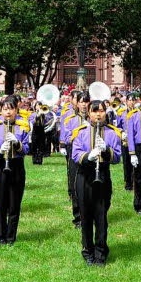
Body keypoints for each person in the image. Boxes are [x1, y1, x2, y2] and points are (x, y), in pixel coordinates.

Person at [70, 100, 122, 265]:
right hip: (84, 176)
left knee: (101, 216)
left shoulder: (113, 133)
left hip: (103, 176)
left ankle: (101, 252)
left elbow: (117, 158)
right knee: (85, 216)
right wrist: (88, 156)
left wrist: (107, 150)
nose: (98, 114)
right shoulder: (80, 132)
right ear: (89, 114)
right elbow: (75, 155)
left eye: (101, 111)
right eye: (94, 111)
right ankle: (88, 251)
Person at [0, 98, 31, 245]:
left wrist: (17, 144)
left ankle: (11, 236)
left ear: (16, 110)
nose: (8, 112)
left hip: (17, 166)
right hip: (0, 166)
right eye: (5, 109)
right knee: (0, 203)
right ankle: (0, 235)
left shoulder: (23, 126)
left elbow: (26, 149)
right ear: (1, 110)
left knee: (14, 203)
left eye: (11, 109)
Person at [60, 90, 87, 228]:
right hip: (75, 155)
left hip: (90, 156)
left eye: (86, 102)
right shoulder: (71, 119)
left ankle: (89, 216)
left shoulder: (93, 119)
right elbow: (67, 137)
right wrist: (80, 133)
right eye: (81, 102)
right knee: (76, 185)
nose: (84, 105)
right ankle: (78, 217)